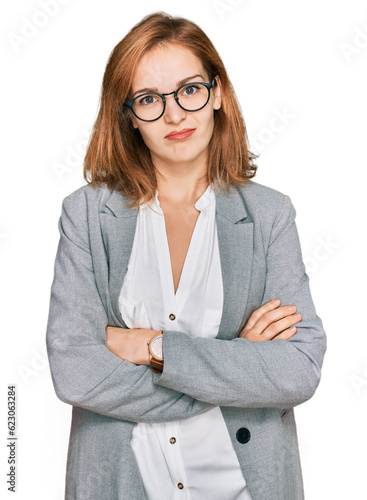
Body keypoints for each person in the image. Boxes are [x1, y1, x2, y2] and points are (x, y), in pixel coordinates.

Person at [46, 11, 327, 500]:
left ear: (217, 93)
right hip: (120, 485)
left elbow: (298, 368)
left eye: (190, 89)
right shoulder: (87, 215)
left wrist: (154, 348)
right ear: (128, 115)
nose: (174, 114)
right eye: (149, 99)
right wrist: (237, 364)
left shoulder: (269, 215)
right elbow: (74, 371)